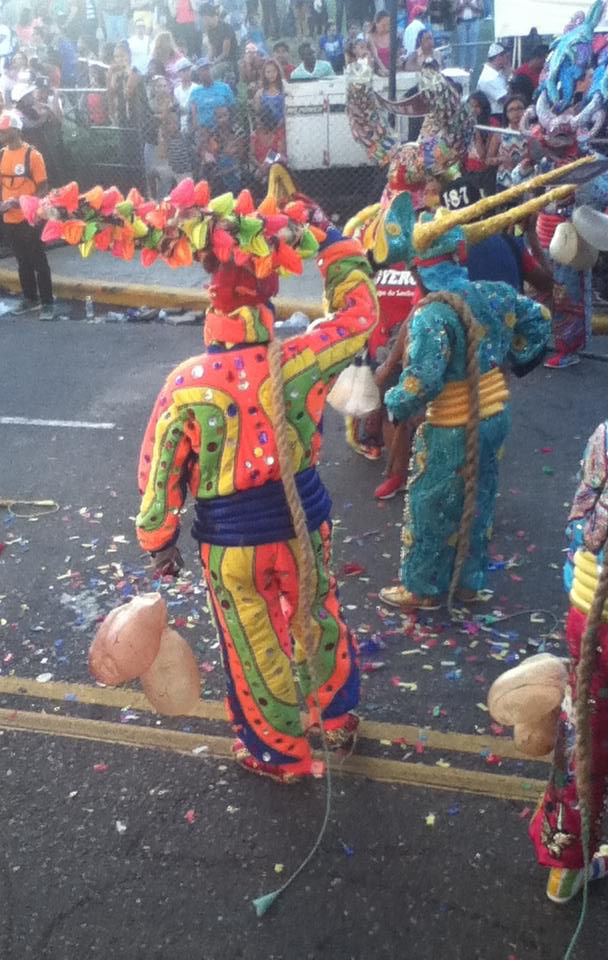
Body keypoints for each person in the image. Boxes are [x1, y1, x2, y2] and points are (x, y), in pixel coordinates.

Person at [136, 213, 378, 783]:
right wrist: (335, 244)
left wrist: (159, 541)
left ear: (211, 310)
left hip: (232, 549)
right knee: (318, 619)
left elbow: (160, 468)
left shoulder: (187, 382)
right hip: (303, 531)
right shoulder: (299, 360)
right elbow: (360, 318)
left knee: (253, 643)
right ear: (267, 305)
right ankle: (338, 719)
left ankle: (279, 754)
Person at [374, 192, 550, 610]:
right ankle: (469, 584)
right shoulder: (493, 293)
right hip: (494, 413)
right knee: (480, 496)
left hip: (452, 424)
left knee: (430, 503)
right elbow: (540, 322)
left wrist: (392, 403)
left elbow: (423, 382)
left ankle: (422, 589)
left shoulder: (431, 313)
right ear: (458, 255)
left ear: (419, 267)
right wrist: (515, 359)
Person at [528, 420, 608, 904]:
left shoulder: (604, 434)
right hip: (593, 613)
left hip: (590, 610)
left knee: (585, 735)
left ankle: (564, 868)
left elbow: (579, 521)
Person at [0, 110, 54, 320]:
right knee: (22, 261)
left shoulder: (33, 156)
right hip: (10, 218)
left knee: (38, 260)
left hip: (30, 218)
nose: (0, 133)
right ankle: (30, 298)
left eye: (4, 130)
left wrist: (29, 206)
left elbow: (43, 186)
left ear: (16, 130)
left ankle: (47, 302)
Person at [490, 94, 526, 190]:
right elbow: (488, 160)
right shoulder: (500, 134)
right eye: (511, 110)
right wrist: (502, 159)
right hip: (505, 183)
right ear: (506, 114)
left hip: (528, 181)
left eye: (519, 108)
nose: (516, 113)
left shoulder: (532, 132)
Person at [189, 59, 235, 131]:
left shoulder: (224, 87)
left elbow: (232, 109)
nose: (206, 72)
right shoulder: (195, 92)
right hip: (204, 131)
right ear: (198, 74)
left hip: (224, 129)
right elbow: (194, 115)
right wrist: (198, 130)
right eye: (203, 70)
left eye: (208, 69)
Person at [200, 4, 239, 84]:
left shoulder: (226, 28)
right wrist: (206, 61)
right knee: (198, 70)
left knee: (211, 73)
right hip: (217, 61)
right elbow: (212, 50)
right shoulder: (210, 30)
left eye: (205, 18)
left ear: (211, 16)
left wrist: (213, 63)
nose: (204, 21)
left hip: (229, 62)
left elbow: (225, 53)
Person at [477, 42, 510, 117]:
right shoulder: (489, 78)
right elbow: (506, 100)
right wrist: (510, 78)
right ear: (499, 57)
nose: (508, 61)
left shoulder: (499, 73)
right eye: (507, 57)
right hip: (495, 117)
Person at [252, 58, 284, 126]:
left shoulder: (284, 90)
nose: (271, 74)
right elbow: (257, 114)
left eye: (274, 71)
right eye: (268, 72)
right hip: (265, 127)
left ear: (278, 72)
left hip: (283, 126)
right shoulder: (260, 93)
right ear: (264, 74)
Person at [454, 0, 483, 74]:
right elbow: (454, 9)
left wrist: (470, 4)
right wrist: (463, 5)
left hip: (474, 21)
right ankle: (462, 67)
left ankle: (472, 67)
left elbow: (481, 9)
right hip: (461, 22)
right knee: (462, 45)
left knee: (472, 45)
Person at [173, 57, 198, 130]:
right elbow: (176, 109)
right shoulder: (176, 90)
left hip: (193, 124)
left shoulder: (196, 88)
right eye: (183, 71)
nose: (187, 73)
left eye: (188, 70)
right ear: (178, 73)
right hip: (181, 125)